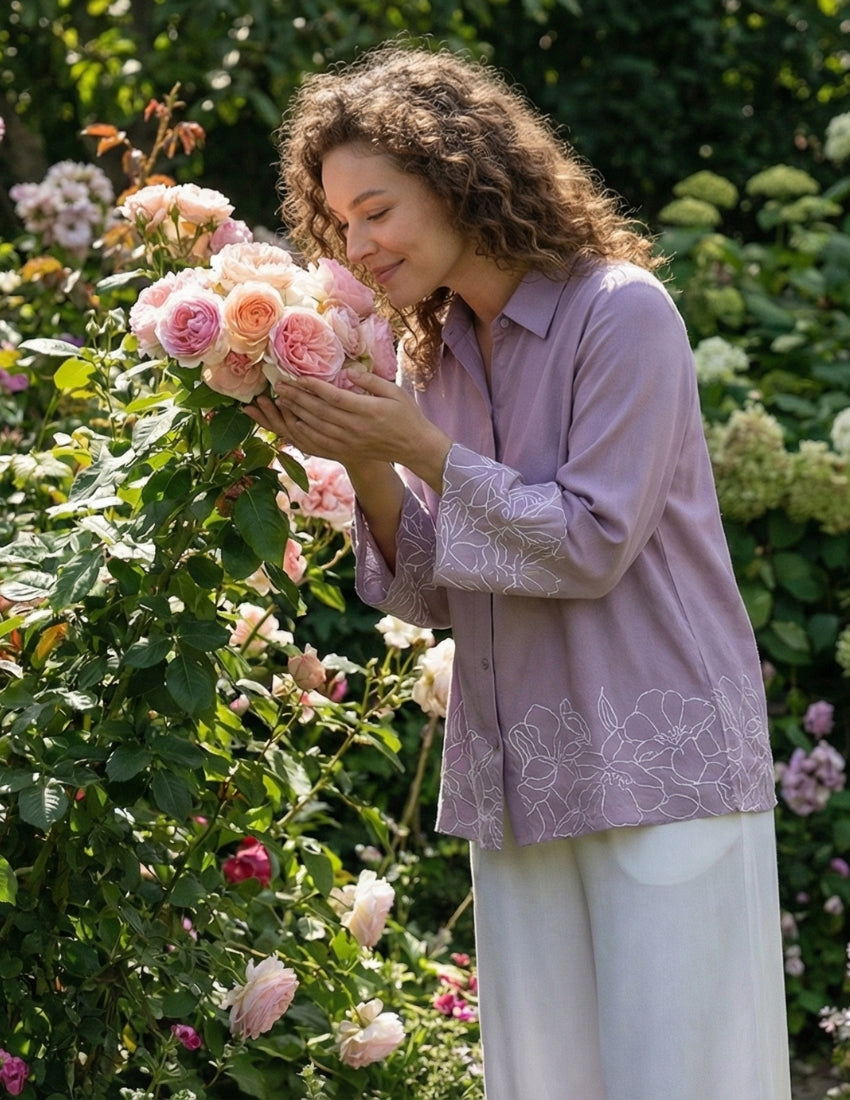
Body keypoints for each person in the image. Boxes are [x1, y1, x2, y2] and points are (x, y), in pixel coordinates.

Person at [246, 44, 792, 1100]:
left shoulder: (620, 311)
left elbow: (588, 542)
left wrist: (418, 446)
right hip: (518, 778)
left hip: (659, 772)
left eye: (377, 210)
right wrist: (365, 453)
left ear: (457, 178)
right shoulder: (433, 352)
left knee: (685, 1081)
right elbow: (434, 592)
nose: (357, 245)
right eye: (340, 223)